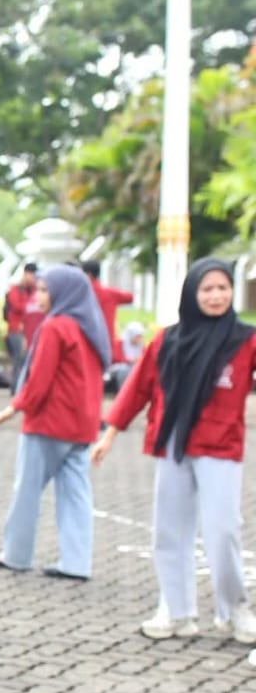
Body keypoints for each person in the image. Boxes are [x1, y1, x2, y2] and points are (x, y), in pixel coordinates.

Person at [92, 259, 256, 642]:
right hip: (173, 445)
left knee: (223, 531)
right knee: (170, 531)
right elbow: (138, 387)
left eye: (223, 288)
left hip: (220, 446)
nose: (216, 296)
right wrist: (110, 433)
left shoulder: (246, 340)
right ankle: (176, 610)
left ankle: (235, 609)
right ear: (191, 293)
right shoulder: (167, 340)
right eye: (207, 289)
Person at [0, 265, 109, 580]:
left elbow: (38, 382)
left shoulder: (55, 327)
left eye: (44, 290)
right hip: (82, 426)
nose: (37, 296)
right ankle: (77, 563)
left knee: (27, 489)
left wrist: (9, 410)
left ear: (62, 293)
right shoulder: (90, 328)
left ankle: (16, 555)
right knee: (76, 494)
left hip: (49, 424)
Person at [81, 259, 133, 362]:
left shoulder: (81, 294)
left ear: (88, 275)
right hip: (108, 342)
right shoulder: (110, 293)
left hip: (87, 341)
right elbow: (130, 297)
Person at [4, 263, 38, 378]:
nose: (33, 277)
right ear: (25, 273)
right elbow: (17, 306)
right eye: (31, 274)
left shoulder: (35, 289)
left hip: (30, 329)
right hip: (17, 329)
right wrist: (32, 305)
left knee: (29, 360)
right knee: (19, 360)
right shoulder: (15, 289)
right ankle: (17, 387)